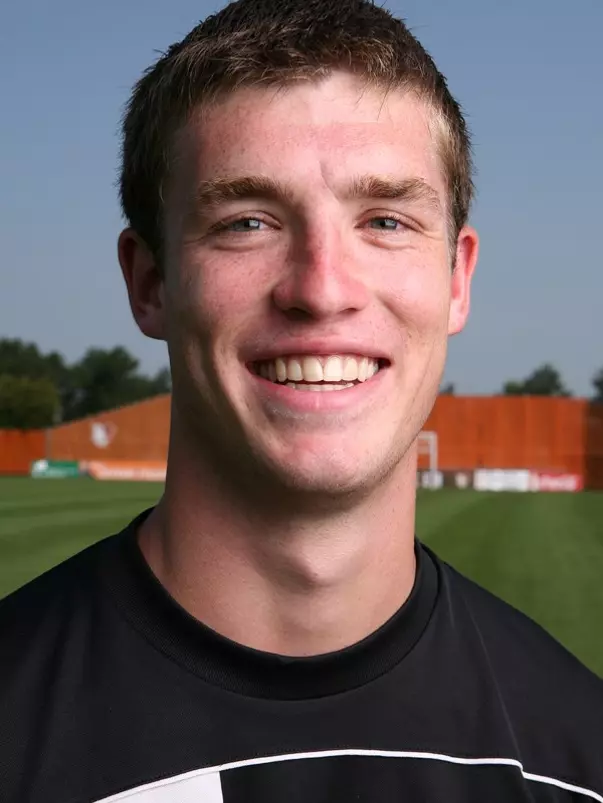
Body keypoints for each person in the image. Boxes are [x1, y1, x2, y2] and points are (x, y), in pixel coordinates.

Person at [1, 1, 602, 800]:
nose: (321, 289)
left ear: (457, 279)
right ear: (149, 283)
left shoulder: (578, 753)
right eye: (246, 221)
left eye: (385, 219)